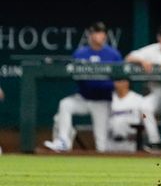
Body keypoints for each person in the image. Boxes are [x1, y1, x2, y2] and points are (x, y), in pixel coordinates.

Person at [44, 22, 122, 153]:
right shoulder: (80, 53)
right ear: (90, 35)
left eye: (101, 32)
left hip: (102, 101)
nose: (99, 35)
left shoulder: (113, 54)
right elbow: (74, 75)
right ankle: (63, 140)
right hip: (83, 98)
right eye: (96, 32)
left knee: (101, 144)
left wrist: (101, 83)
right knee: (65, 104)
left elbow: (121, 80)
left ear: (105, 35)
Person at [106, 77, 146, 153]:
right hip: (111, 142)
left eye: (119, 81)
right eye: (116, 81)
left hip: (130, 142)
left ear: (126, 83)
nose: (116, 83)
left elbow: (145, 119)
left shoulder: (137, 98)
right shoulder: (109, 98)